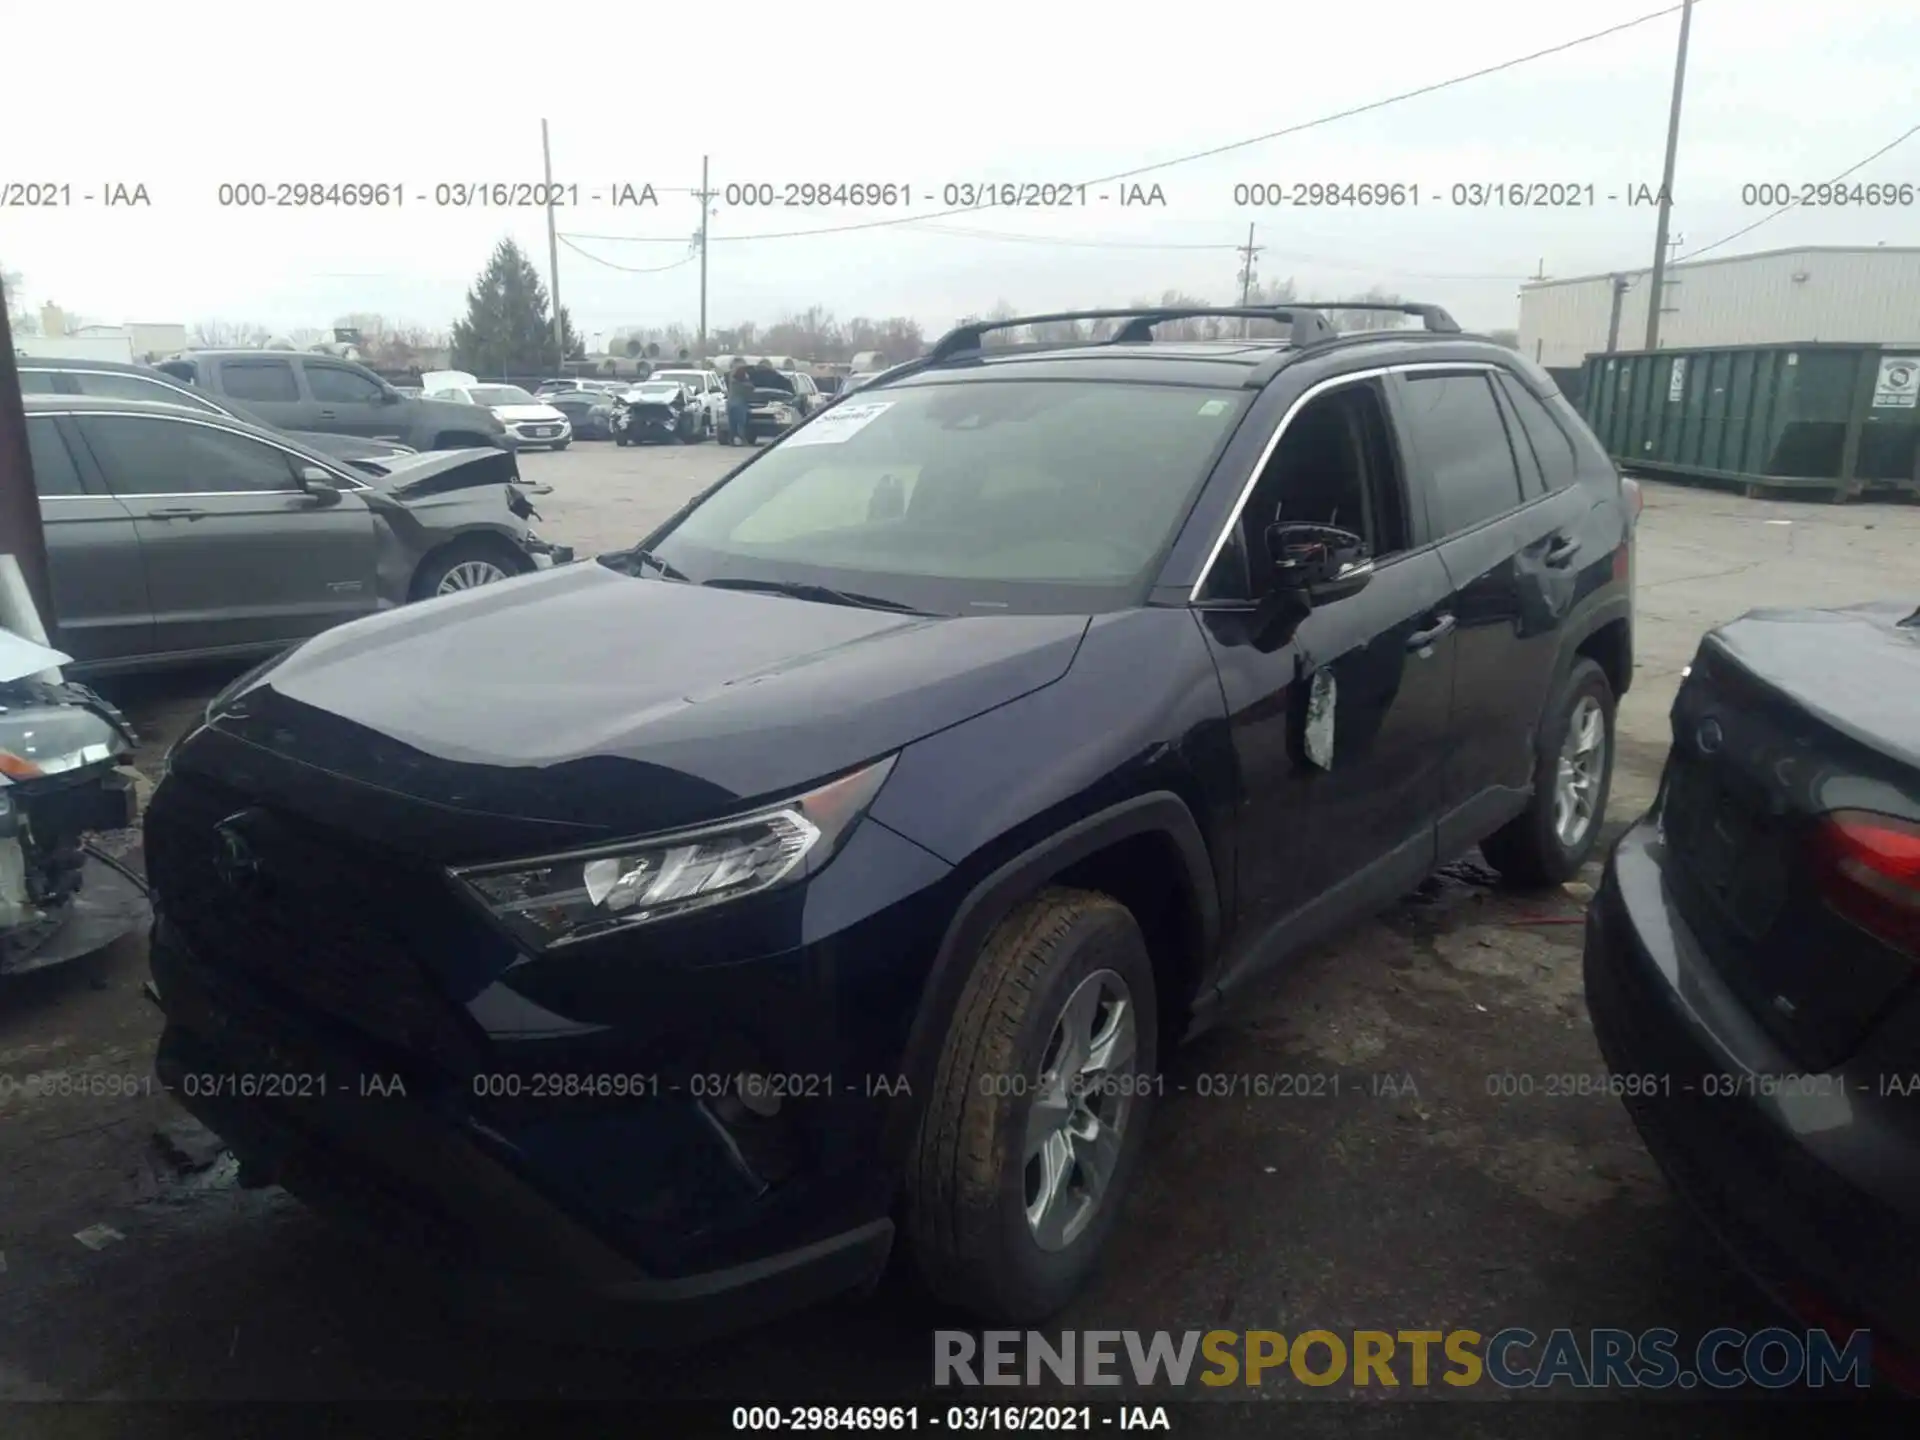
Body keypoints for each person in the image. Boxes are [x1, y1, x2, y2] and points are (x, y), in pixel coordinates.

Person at [726, 360, 756, 446]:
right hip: (739, 405)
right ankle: (742, 439)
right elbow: (751, 388)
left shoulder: (732, 382)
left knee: (732, 424)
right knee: (741, 423)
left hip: (730, 404)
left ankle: (732, 440)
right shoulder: (744, 385)